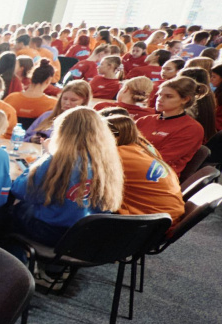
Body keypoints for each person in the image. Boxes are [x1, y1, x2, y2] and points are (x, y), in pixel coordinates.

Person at [9, 108, 124, 248]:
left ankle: (15, 260)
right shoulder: (107, 162)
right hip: (86, 235)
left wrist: (43, 158)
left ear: (63, 132)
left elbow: (21, 191)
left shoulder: (57, 160)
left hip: (50, 231)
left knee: (9, 210)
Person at [104, 113, 184, 224]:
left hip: (150, 223)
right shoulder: (145, 146)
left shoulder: (118, 155)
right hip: (169, 215)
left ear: (114, 136)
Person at [135, 76, 207, 175]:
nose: (160, 99)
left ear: (185, 99)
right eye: (160, 94)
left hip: (158, 176)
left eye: (168, 96)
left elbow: (160, 159)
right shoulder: (144, 120)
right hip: (134, 166)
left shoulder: (191, 128)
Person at [25, 80, 92, 143]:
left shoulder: (87, 123)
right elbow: (24, 137)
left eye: (73, 100)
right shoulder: (47, 116)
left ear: (84, 101)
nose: (67, 103)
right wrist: (31, 139)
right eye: (65, 98)